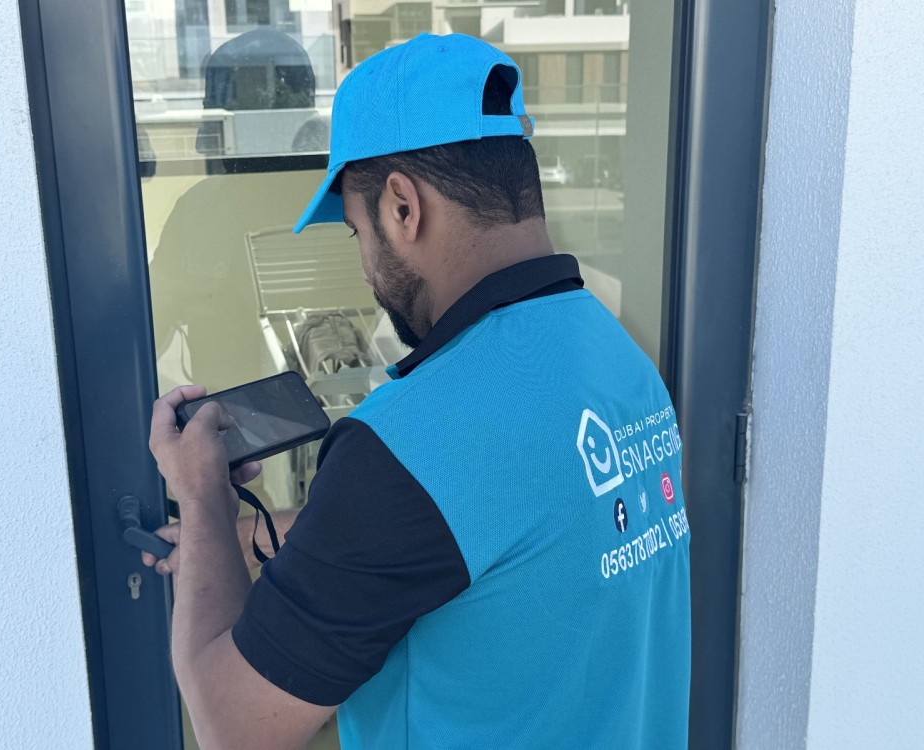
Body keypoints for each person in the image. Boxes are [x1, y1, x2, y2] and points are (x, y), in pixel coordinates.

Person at [146, 33, 691, 750]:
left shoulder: (412, 443)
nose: (366, 269)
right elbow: (484, 526)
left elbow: (231, 725)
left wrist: (202, 498)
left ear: (403, 206)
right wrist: (251, 536)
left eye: (356, 232)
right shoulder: (618, 358)